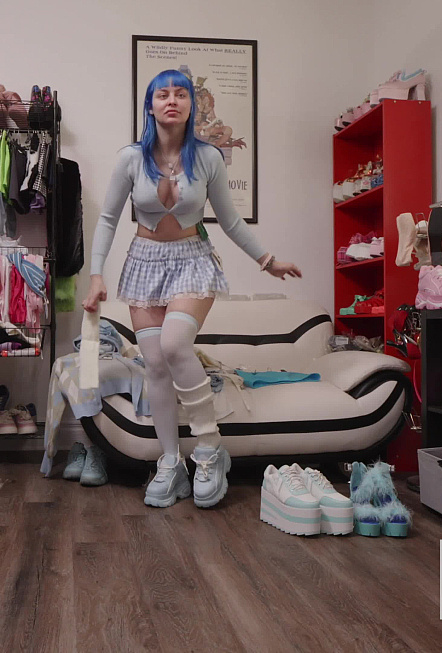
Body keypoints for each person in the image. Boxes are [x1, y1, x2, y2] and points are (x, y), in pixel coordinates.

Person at [82, 69, 301, 509]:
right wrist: (96, 274)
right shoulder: (131, 159)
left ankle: (209, 448)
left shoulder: (208, 158)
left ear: (190, 105)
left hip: (192, 260)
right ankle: (170, 462)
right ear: (150, 106)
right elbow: (107, 219)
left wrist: (268, 261)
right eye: (162, 94)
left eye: (180, 94)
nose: (172, 100)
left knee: (174, 344)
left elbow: (231, 221)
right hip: (144, 264)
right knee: (155, 364)